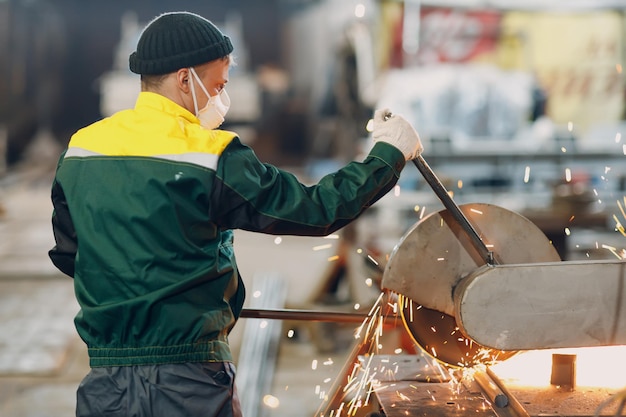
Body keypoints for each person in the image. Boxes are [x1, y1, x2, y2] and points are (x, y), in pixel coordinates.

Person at [48, 11, 423, 417]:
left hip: (107, 383)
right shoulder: (210, 154)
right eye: (219, 85)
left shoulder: (81, 149)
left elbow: (72, 254)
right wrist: (388, 154)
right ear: (185, 79)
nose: (222, 99)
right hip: (189, 379)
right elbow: (316, 210)